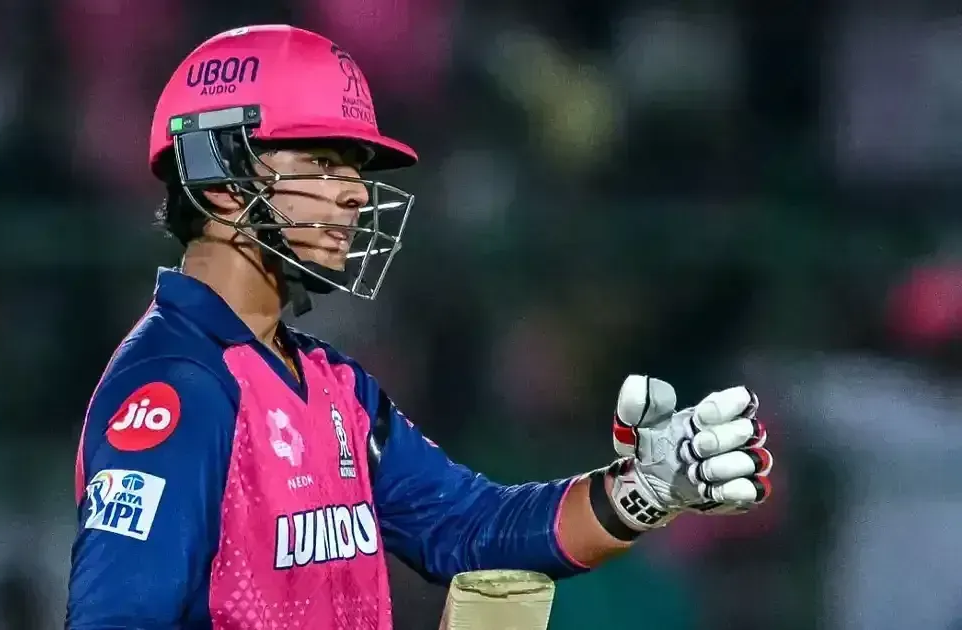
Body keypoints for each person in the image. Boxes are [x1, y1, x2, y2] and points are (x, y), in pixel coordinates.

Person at [66, 24, 774, 630]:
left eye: (354, 168)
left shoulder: (336, 388)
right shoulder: (177, 389)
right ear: (220, 180)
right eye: (321, 161)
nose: (354, 191)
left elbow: (471, 529)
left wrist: (645, 488)